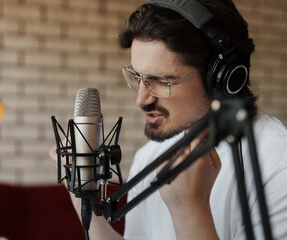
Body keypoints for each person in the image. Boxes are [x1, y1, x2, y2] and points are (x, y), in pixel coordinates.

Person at [50, 0, 287, 239]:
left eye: (161, 81)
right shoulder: (150, 155)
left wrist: (190, 211)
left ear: (223, 80)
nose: (141, 100)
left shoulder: (279, 167)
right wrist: (80, 191)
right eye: (138, 77)